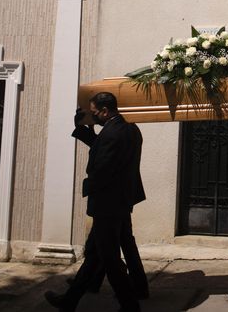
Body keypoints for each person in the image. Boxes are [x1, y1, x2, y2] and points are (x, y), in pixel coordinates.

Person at [44, 92, 144, 312]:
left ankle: (130, 306)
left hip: (107, 204)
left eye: (95, 112)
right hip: (121, 202)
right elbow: (105, 148)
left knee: (109, 260)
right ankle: (69, 302)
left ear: (105, 111)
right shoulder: (130, 129)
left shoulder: (111, 134)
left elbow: (100, 168)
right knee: (94, 256)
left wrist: (87, 186)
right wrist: (85, 131)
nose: (94, 116)